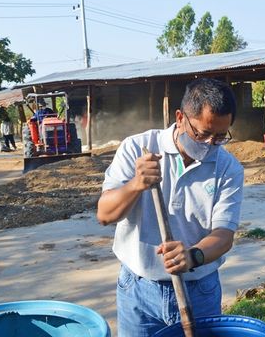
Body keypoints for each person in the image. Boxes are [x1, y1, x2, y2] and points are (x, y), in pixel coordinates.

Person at [97, 78, 243, 336]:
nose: (210, 144)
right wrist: (136, 184)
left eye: (221, 136)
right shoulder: (138, 149)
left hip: (199, 290)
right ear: (180, 118)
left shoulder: (228, 168)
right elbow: (105, 215)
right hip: (138, 291)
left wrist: (192, 255)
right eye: (202, 133)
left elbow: (224, 235)